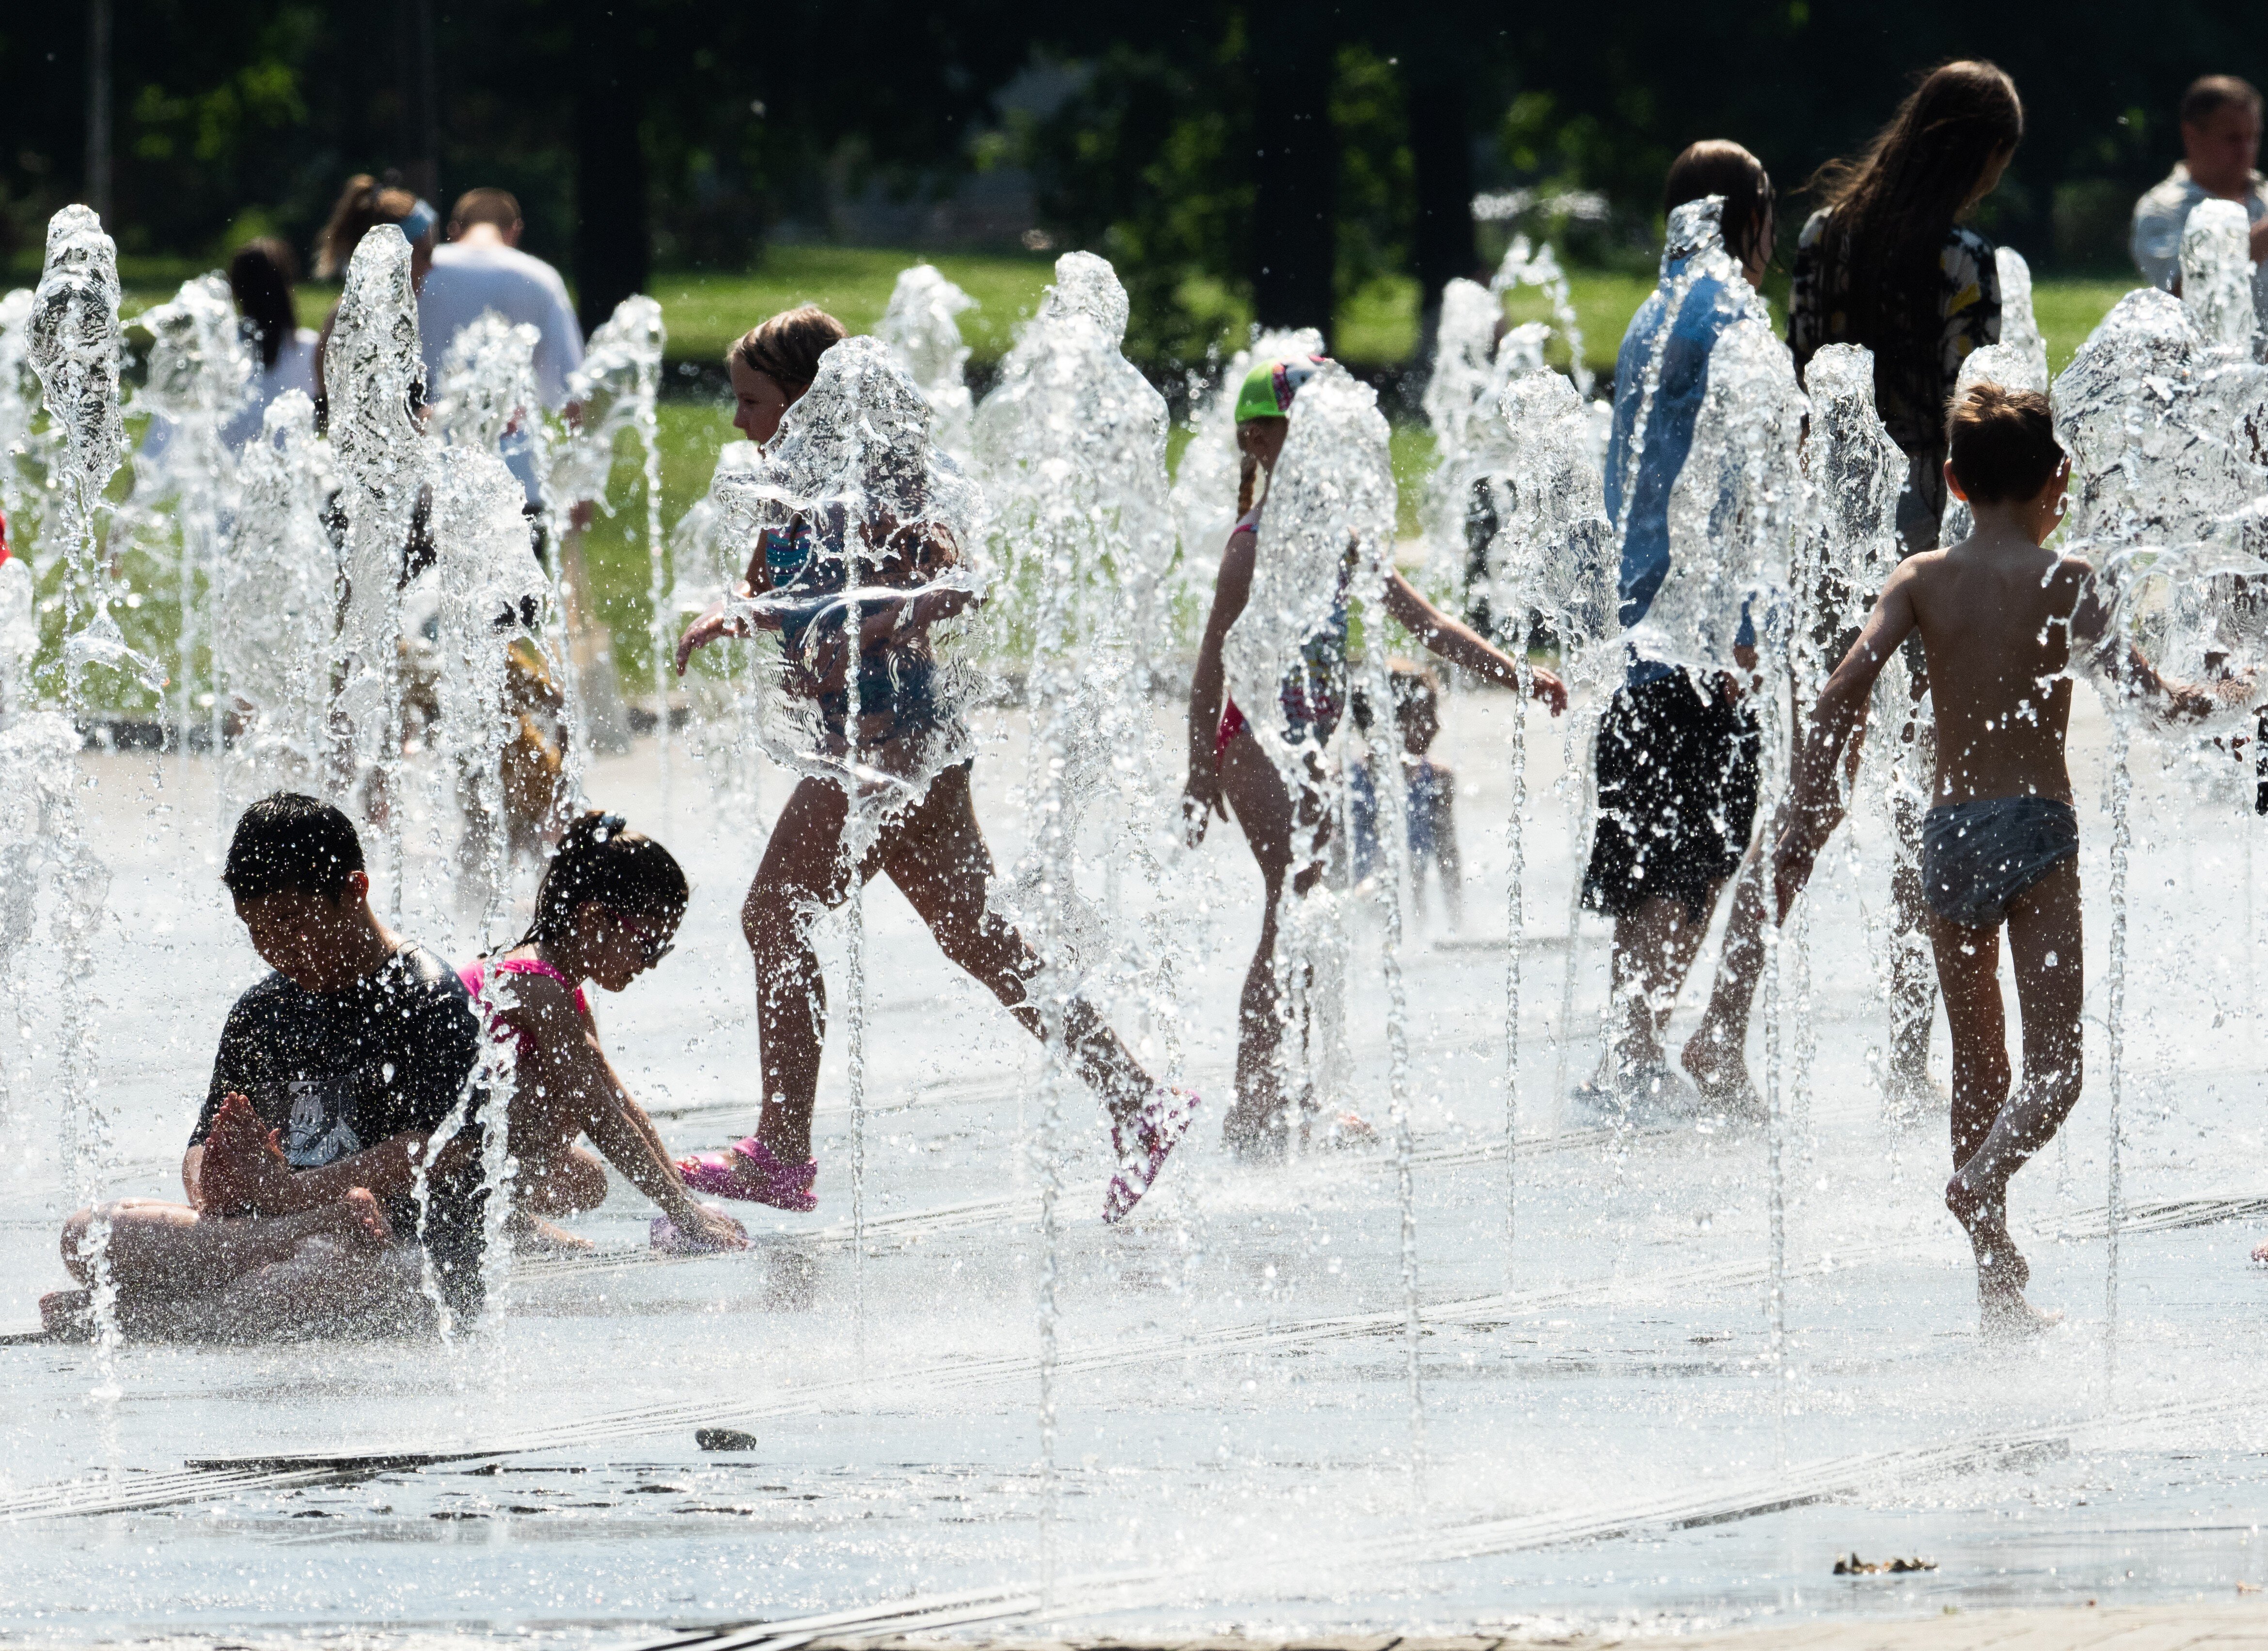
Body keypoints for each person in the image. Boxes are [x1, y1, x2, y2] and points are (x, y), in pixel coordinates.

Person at [674, 309, 1198, 1226]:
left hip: (886, 751)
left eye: (751, 401)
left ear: (802, 401)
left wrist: (887, 620)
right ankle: (1139, 1100)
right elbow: (782, 596)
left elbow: (961, 582)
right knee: (984, 943)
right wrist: (737, 616)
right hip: (901, 756)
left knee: (773, 912)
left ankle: (783, 1153)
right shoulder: (786, 493)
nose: (736, 421)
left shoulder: (875, 489)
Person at [1773, 386, 2226, 1336]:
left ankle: (1995, 1280)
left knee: (1979, 1061)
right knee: (2054, 1071)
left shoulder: (1920, 577)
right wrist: (2228, 694)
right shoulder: (2070, 578)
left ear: (1950, 479)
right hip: (2036, 828)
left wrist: (1802, 823)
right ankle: (1982, 1180)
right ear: (2058, 478)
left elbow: (1843, 686)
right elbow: (2149, 700)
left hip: (1948, 836)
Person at [1181, 356, 1566, 1156]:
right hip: (1252, 745)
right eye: (1309, 432)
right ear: (1261, 439)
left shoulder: (1342, 541)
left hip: (1311, 747)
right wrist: (1194, 772)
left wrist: (1516, 673)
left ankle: (1301, 1091)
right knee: (1288, 912)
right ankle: (1256, 1099)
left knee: (1308, 916)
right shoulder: (1251, 545)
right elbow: (1211, 662)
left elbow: (1428, 626)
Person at [1733, 62, 2024, 1117]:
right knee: (1934, 794)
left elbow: (1807, 388)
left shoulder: (1822, 240)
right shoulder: (1963, 258)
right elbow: (1976, 413)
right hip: (1933, 535)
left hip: (1836, 541)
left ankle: (1726, 1018)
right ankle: (1909, 1049)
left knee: (1814, 789)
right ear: (1979, 157)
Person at [44, 795, 489, 1341]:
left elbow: (443, 1146)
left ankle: (144, 1319)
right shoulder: (262, 1012)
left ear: (355, 889)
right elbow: (204, 1141)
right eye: (254, 928)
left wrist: (288, 1196)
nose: (273, 947)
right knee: (88, 1233)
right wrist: (214, 1187)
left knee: (289, 1284)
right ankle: (192, 1302)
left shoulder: (427, 998)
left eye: (287, 920)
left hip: (397, 1253)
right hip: (287, 1234)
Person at [1577, 141, 1776, 1113]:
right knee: (1697, 845)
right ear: (1755, 220)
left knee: (1652, 843)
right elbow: (1740, 482)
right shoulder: (1730, 312)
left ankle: (1629, 1046)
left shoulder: (1654, 313)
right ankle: (1639, 1048)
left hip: (1643, 618)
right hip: (1698, 631)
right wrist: (1748, 626)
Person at [459, 810, 746, 1254]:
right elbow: (599, 1115)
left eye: (663, 949)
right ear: (594, 919)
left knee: (585, 1179)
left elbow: (618, 1099)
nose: (651, 963)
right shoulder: (537, 987)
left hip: (471, 1151)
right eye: (648, 944)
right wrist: (686, 1216)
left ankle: (498, 1214)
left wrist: (686, 1202)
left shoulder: (563, 990)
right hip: (429, 1155)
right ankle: (470, 1215)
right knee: (568, 1089)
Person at [417, 188, 586, 509]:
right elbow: (572, 391)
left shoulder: (423, 271)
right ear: (515, 230)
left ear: (453, 230)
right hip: (518, 477)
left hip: (431, 476)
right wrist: (580, 487)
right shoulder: (540, 278)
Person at [2132, 76, 2268, 333]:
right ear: (2191, 135)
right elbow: (2177, 298)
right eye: (2233, 139)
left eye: (2254, 137)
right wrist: (2257, 241)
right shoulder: (2162, 210)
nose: (2247, 149)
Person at [311, 174, 439, 416]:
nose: (431, 267)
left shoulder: (381, 316)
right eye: (426, 255)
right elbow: (370, 428)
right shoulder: (356, 323)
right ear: (395, 257)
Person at [1348, 662, 1463, 930]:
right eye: (1426, 714)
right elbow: (1335, 867)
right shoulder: (1346, 784)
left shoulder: (1438, 779)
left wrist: (1458, 924)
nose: (1437, 725)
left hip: (1416, 915)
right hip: (1364, 920)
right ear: (1391, 722)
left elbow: (1449, 859)